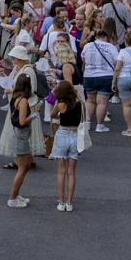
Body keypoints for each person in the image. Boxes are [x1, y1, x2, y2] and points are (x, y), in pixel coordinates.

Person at [49, 80, 83, 212]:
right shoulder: (79, 104)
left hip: (62, 134)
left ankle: (61, 201)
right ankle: (69, 202)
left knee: (61, 172)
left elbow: (52, 115)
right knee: (71, 172)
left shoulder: (60, 104)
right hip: (75, 136)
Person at [6, 74, 39, 208]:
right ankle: (12, 198)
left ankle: (16, 194)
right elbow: (22, 121)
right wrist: (34, 114)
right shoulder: (24, 101)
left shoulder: (15, 97)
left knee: (25, 167)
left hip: (18, 135)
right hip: (21, 137)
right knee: (22, 168)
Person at [81, 28, 118, 132]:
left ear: (96, 37)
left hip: (89, 76)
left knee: (90, 100)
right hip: (105, 76)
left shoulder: (88, 46)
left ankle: (87, 124)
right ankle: (99, 125)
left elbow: (83, 58)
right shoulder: (111, 47)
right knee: (102, 102)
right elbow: (117, 61)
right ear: (106, 37)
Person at [113, 30, 131, 136]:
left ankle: (129, 129)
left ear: (125, 41)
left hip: (123, 79)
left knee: (127, 105)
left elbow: (117, 68)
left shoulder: (123, 52)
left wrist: (114, 81)